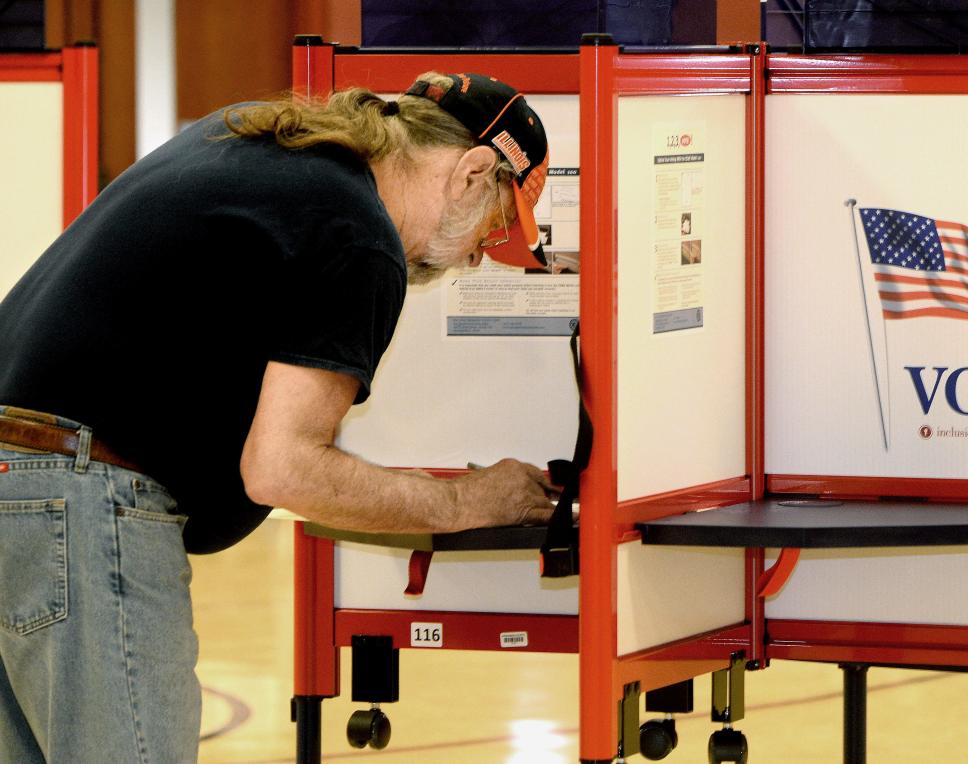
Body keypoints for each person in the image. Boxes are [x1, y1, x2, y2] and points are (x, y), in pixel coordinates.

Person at [0, 71, 558, 762]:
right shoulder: (358, 235)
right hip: (80, 499)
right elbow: (283, 468)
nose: (479, 255)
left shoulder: (255, 139)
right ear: (472, 171)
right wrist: (466, 501)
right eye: (499, 224)